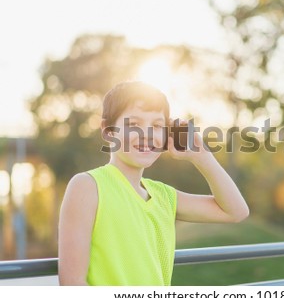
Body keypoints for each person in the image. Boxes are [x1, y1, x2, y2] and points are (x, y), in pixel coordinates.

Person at [58, 81, 249, 285]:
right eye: (134, 125)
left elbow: (236, 211)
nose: (147, 135)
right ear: (108, 130)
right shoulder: (87, 186)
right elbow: (73, 285)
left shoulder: (164, 196)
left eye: (157, 126)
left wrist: (202, 156)